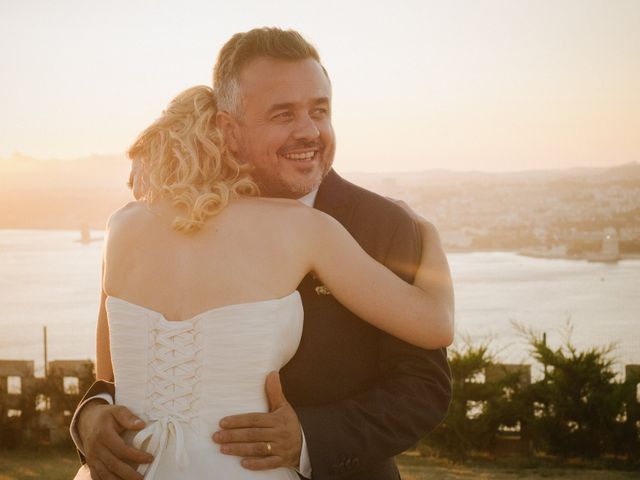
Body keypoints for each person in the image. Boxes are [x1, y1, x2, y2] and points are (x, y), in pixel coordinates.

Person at [71, 28, 454, 480]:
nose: (309, 131)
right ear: (229, 131)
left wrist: (311, 438)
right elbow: (116, 379)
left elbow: (423, 387)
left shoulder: (383, 224)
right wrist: (90, 416)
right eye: (283, 114)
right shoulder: (301, 230)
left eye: (320, 111)